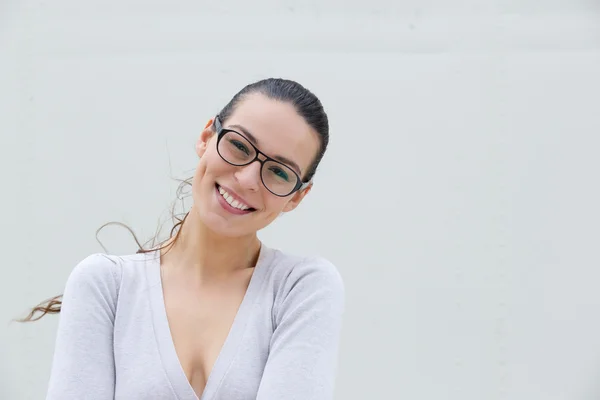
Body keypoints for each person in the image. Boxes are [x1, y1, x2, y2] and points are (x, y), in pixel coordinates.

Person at [20, 78, 345, 399]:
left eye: (278, 172)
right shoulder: (107, 286)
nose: (247, 179)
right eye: (240, 146)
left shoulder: (300, 289)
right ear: (206, 138)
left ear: (296, 198)